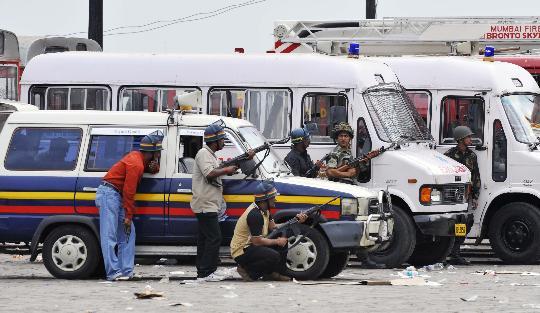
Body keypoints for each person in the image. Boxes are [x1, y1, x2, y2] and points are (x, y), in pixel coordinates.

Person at [95, 130, 163, 281]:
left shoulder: (138, 159)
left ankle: (126, 271)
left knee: (128, 234)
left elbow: (150, 169)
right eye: (158, 152)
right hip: (109, 195)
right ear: (151, 152)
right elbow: (129, 192)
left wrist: (154, 167)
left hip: (115, 196)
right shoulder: (136, 164)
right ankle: (113, 273)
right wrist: (128, 215)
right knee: (110, 235)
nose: (159, 155)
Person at [191, 123, 254, 281]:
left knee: (205, 239)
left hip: (209, 203)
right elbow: (210, 173)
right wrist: (226, 170)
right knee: (214, 238)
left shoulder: (211, 154)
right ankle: (207, 272)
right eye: (221, 140)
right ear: (215, 140)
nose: (223, 143)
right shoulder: (204, 153)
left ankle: (203, 272)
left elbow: (218, 170)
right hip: (206, 203)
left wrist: (241, 160)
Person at [324, 122, 384, 269]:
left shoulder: (349, 154)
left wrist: (362, 163)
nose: (343, 139)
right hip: (339, 190)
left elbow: (354, 172)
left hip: (348, 189)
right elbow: (330, 172)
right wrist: (348, 173)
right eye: (341, 136)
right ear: (337, 138)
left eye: (346, 136)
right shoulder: (335, 153)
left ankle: (363, 258)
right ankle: (362, 259)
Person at [231, 181, 307, 281]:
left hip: (252, 245)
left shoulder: (265, 210)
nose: (275, 199)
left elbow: (274, 227)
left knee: (282, 240)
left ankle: (273, 273)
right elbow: (257, 241)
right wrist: (277, 241)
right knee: (273, 256)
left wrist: (296, 220)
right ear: (265, 200)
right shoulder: (255, 215)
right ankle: (249, 271)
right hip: (242, 251)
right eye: (273, 197)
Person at [444, 126, 481, 266]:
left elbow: (476, 177)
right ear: (460, 139)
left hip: (465, 196)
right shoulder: (449, 155)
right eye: (468, 137)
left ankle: (455, 252)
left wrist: (475, 196)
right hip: (450, 197)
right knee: (448, 224)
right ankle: (443, 252)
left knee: (465, 222)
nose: (470, 139)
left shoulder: (472, 156)